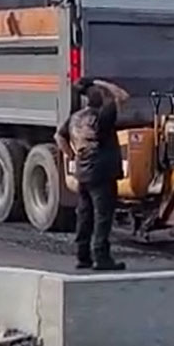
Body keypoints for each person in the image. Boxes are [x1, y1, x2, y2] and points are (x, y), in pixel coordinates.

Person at [55, 78, 131, 271]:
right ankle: (101, 257)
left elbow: (58, 136)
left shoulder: (76, 118)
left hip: (83, 172)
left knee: (85, 215)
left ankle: (83, 256)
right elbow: (122, 95)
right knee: (102, 217)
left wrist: (71, 155)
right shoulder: (102, 116)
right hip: (102, 173)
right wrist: (102, 82)